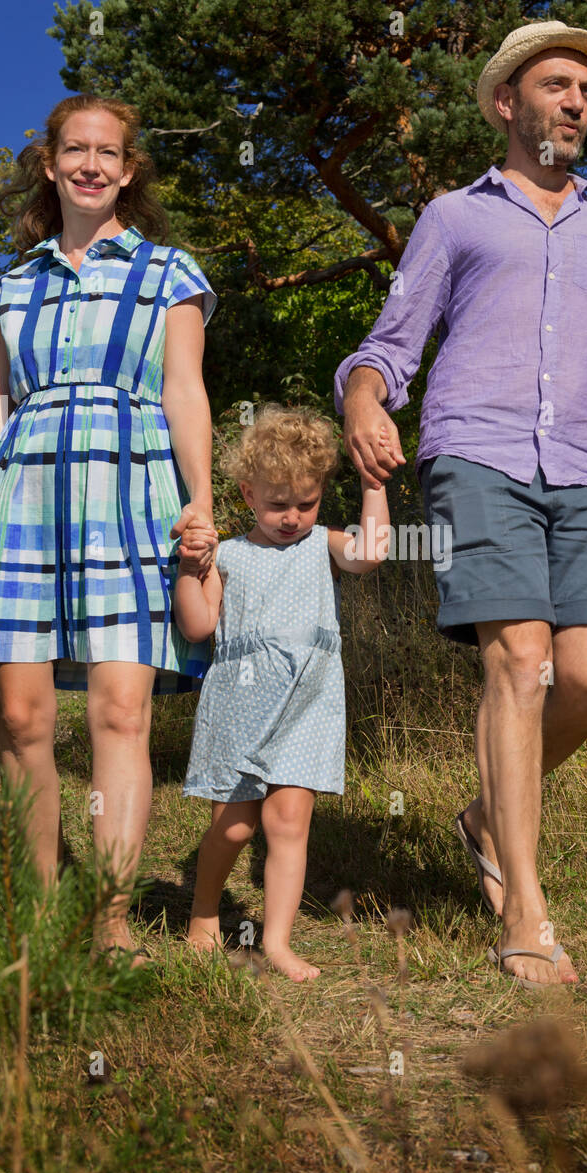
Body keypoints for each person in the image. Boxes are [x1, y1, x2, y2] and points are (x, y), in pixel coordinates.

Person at [335, 20, 587, 990]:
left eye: (585, 89)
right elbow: (389, 345)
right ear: (504, 103)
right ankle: (524, 913)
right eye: (556, 84)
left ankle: (486, 814)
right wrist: (363, 400)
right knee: (517, 663)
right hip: (475, 454)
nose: (575, 100)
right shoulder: (454, 217)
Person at [0, 94, 217, 964]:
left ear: (128, 168)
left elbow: (185, 390)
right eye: (76, 149)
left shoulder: (169, 271)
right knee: (21, 715)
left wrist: (201, 498)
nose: (91, 164)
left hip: (131, 492)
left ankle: (108, 919)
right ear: (51, 163)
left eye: (108, 152)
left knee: (121, 708)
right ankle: (37, 915)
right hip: (20, 500)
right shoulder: (12, 283)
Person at [174, 404, 390, 981]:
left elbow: (371, 554)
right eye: (277, 504)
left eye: (306, 502)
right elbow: (199, 626)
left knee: (289, 822)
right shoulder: (230, 555)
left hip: (308, 705)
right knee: (238, 825)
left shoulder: (324, 544)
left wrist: (373, 485)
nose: (293, 516)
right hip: (241, 705)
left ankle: (276, 941)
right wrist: (189, 573)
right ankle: (203, 912)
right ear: (247, 494)